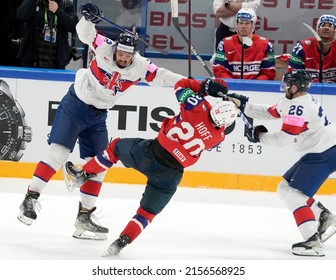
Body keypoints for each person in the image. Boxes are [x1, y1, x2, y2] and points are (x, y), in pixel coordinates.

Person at [17, 2, 185, 240]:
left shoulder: (140, 66)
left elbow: (163, 76)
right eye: (121, 53)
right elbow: (85, 33)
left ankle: (84, 217)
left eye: (128, 55)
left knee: (98, 165)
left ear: (133, 54)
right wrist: (88, 18)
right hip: (76, 104)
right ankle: (30, 200)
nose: (123, 58)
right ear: (115, 48)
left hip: (98, 116)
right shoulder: (104, 46)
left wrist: (190, 83)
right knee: (58, 153)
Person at [64, 77, 238, 256]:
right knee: (147, 213)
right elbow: (215, 125)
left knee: (115, 148)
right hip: (170, 176)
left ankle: (83, 174)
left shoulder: (195, 105)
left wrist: (203, 87)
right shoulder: (219, 137)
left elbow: (180, 86)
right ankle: (122, 241)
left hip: (150, 153)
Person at [228, 69, 336, 256]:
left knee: (295, 196)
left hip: (323, 152)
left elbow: (282, 139)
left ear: (294, 87)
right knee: (284, 188)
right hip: (319, 150)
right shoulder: (294, 101)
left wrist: (259, 137)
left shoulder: (299, 108)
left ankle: (313, 241)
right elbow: (270, 112)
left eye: (286, 85)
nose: (284, 87)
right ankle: (323, 216)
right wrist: (244, 104)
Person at [212, 7, 275, 80]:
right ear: (236, 24)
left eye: (247, 23)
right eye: (241, 23)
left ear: (253, 25)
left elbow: (268, 73)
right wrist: (234, 84)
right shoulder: (224, 43)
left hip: (256, 89)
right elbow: (219, 70)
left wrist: (253, 85)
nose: (243, 26)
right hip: (230, 88)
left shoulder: (266, 44)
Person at [16, 0, 78, 69]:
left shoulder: (66, 3)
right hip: (32, 61)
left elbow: (74, 27)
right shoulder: (35, 2)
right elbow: (21, 15)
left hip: (57, 62)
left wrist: (58, 11)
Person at [288, 14, 336, 83]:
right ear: (317, 29)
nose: (326, 28)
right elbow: (293, 78)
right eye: (322, 25)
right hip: (306, 90)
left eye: (331, 26)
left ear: (335, 31)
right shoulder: (302, 47)